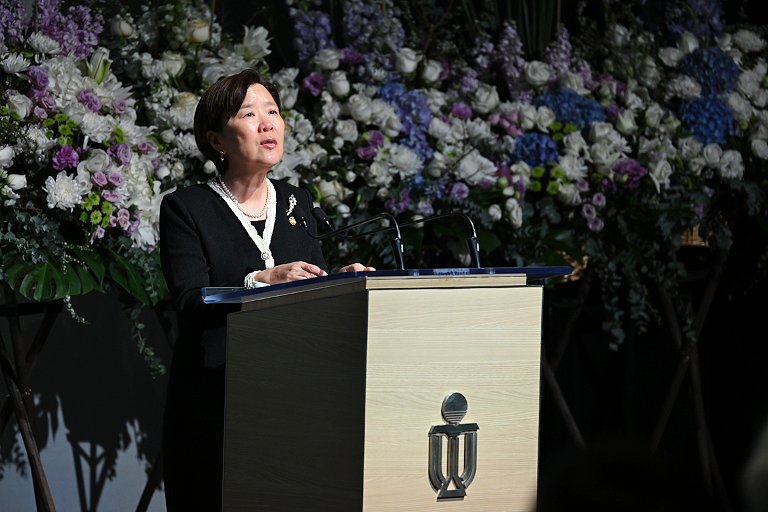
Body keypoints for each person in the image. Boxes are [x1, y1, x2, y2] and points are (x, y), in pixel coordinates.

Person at [159, 68, 372, 511]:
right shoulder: (187, 208)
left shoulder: (298, 202)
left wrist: (344, 282)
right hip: (216, 400)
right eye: (249, 114)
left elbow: (313, 293)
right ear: (217, 140)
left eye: (272, 111)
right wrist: (261, 281)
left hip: (293, 397)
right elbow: (190, 300)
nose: (267, 123)